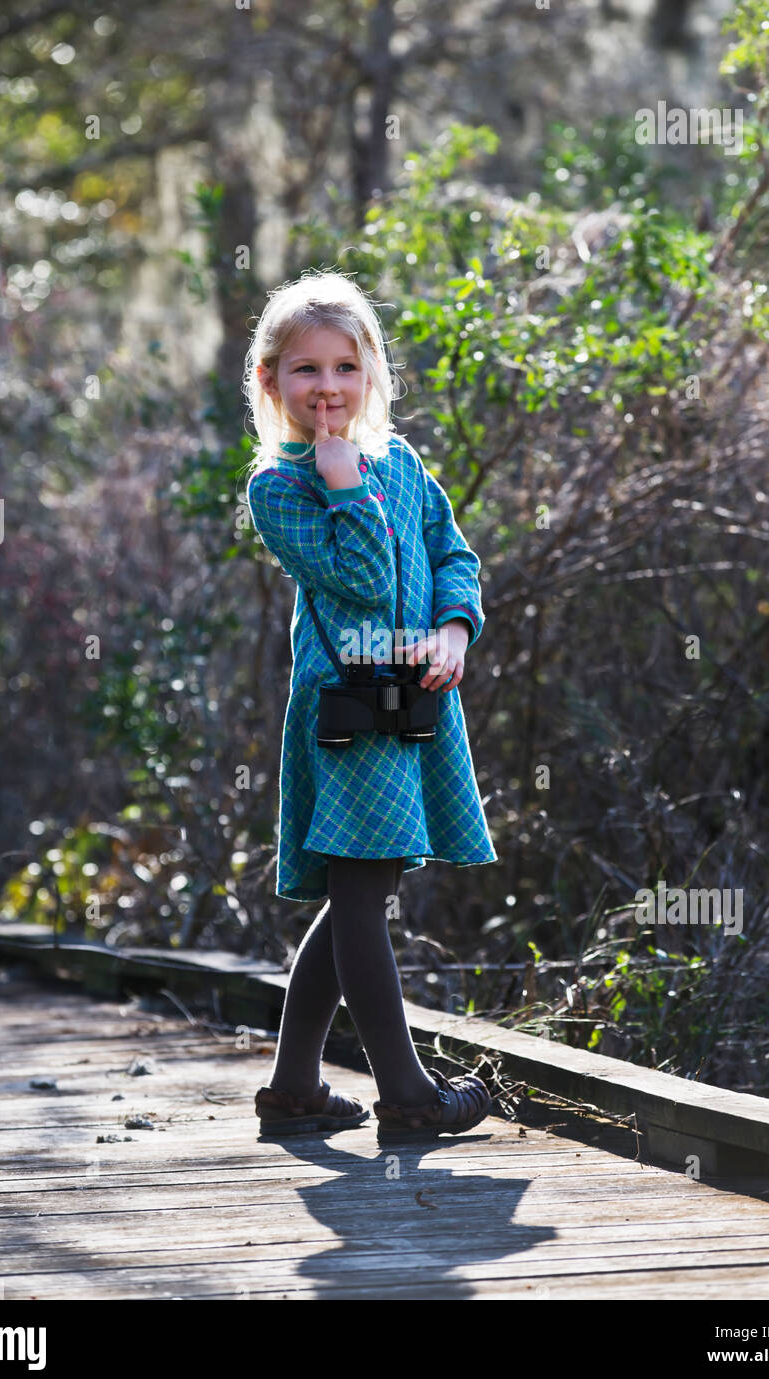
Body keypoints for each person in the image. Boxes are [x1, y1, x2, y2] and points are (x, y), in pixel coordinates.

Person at [242, 269, 498, 1141]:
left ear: (370, 373)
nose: (327, 389)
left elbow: (449, 554)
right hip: (347, 711)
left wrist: (455, 632)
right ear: (271, 380)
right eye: (306, 370)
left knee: (362, 888)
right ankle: (409, 1096)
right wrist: (341, 481)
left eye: (344, 368)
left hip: (416, 701)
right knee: (358, 893)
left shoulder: (405, 462)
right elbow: (355, 577)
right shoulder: (280, 487)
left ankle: (292, 1089)